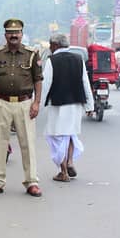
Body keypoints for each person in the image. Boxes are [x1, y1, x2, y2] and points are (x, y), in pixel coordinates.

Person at [0, 18, 43, 197]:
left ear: (22, 34)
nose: (13, 35)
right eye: (10, 32)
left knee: (28, 143)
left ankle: (31, 181)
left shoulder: (32, 54)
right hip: (1, 102)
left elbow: (38, 80)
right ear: (5, 35)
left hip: (25, 103)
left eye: (17, 32)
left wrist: (36, 103)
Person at [41, 34, 93, 182]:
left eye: (51, 46)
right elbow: (85, 82)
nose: (50, 49)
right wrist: (90, 105)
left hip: (58, 105)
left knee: (56, 136)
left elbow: (46, 85)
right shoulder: (78, 59)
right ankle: (70, 162)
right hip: (76, 104)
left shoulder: (52, 61)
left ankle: (63, 172)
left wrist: (37, 104)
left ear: (55, 45)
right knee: (70, 134)